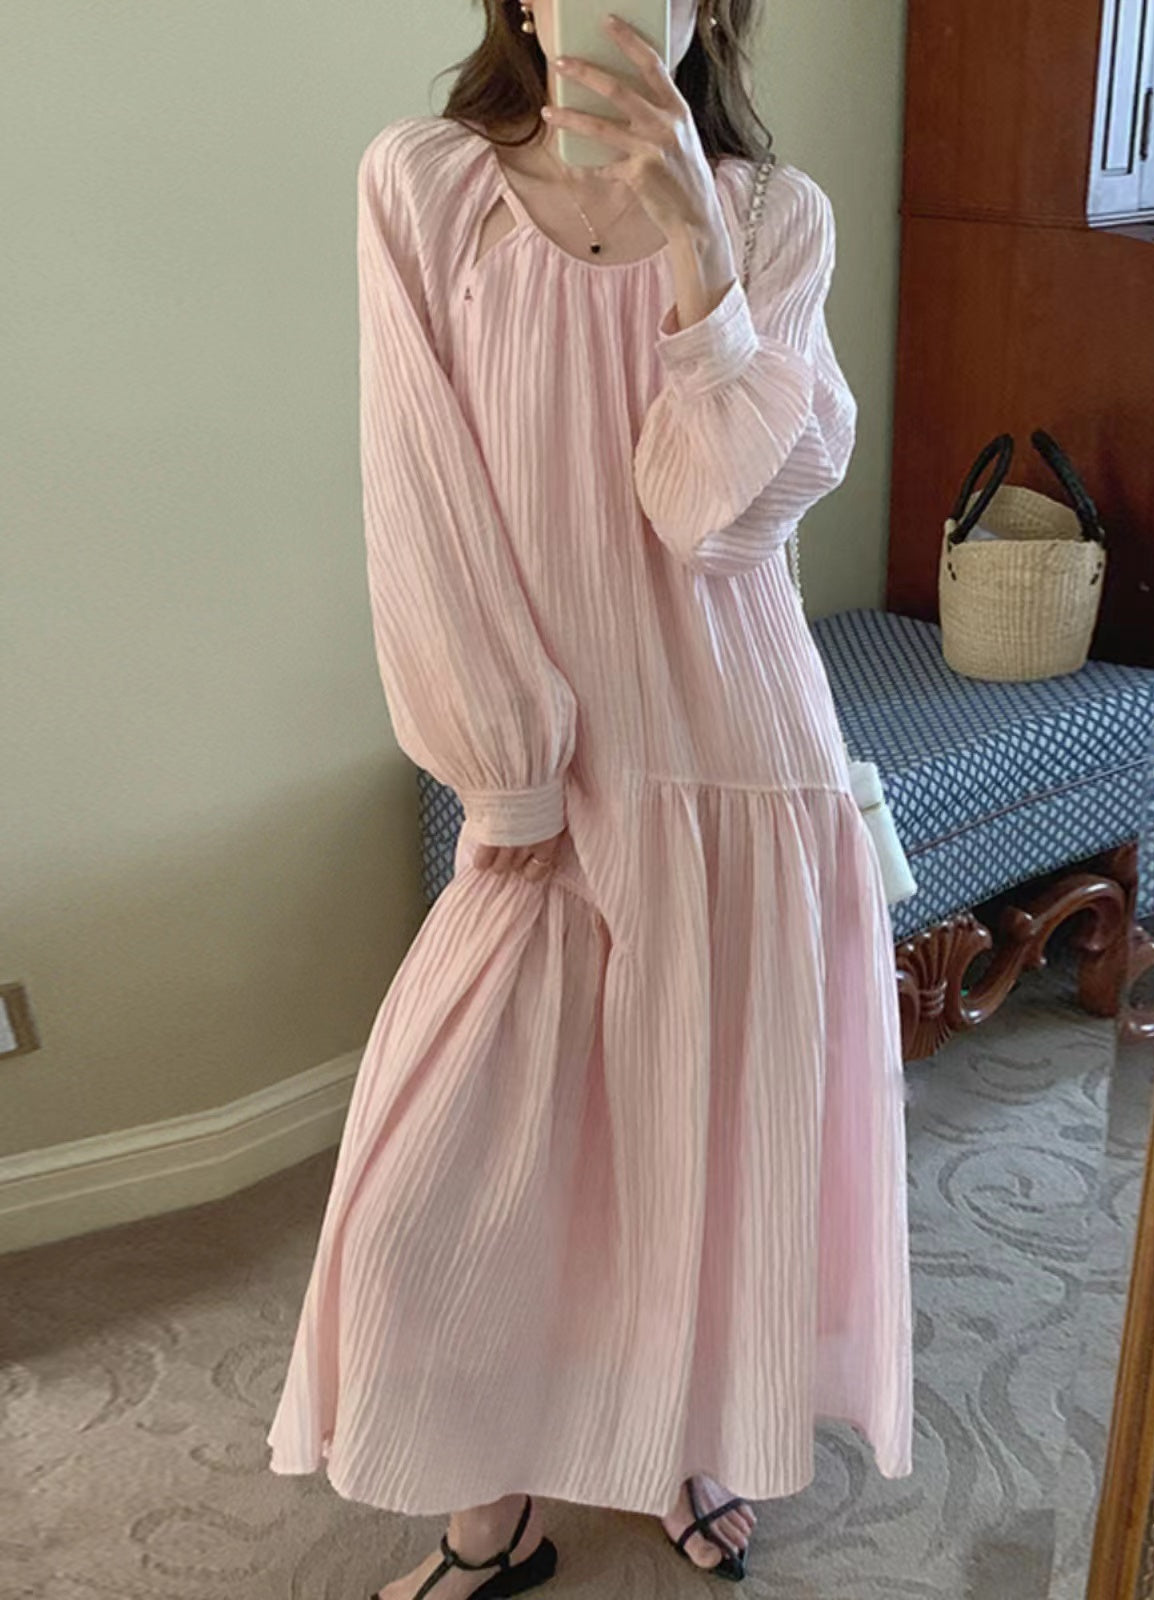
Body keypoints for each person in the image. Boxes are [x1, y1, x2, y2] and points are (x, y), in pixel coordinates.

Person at [266, 3, 914, 1596]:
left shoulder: (778, 218)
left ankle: (677, 1437)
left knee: (698, 1161)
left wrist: (699, 250)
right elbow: (417, 497)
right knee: (431, 1194)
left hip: (736, 766)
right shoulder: (428, 190)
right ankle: (490, 1514)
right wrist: (508, 770)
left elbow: (717, 524)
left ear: (712, 6)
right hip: (548, 779)